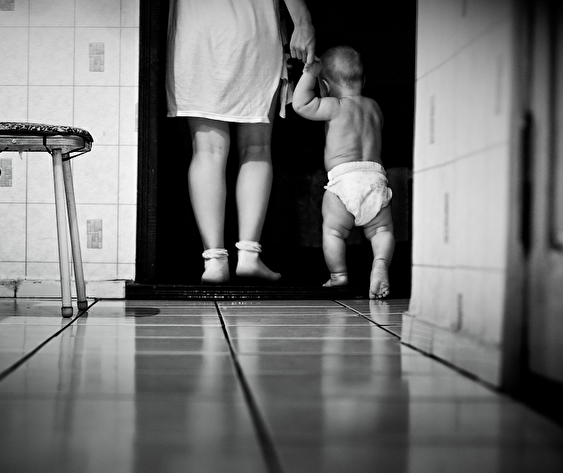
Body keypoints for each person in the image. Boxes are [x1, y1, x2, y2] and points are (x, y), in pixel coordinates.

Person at [166, 0, 316, 284]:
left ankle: (214, 261)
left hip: (197, 30)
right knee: (256, 148)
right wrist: (303, 20)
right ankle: (249, 256)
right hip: (254, 28)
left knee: (207, 149)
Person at [291, 45, 395, 298]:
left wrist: (309, 73)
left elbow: (301, 104)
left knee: (333, 231)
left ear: (325, 86)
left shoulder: (334, 105)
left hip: (344, 180)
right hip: (375, 179)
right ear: (364, 81)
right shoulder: (374, 107)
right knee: (382, 231)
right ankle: (380, 262)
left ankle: (338, 275)